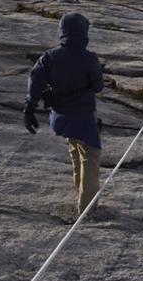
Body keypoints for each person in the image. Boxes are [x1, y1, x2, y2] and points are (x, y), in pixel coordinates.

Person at [24, 12, 104, 216]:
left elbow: (35, 80)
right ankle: (86, 208)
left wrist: (29, 107)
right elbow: (97, 87)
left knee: (75, 151)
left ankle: (80, 190)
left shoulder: (49, 57)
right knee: (90, 158)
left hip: (60, 116)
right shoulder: (88, 58)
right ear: (83, 33)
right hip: (83, 116)